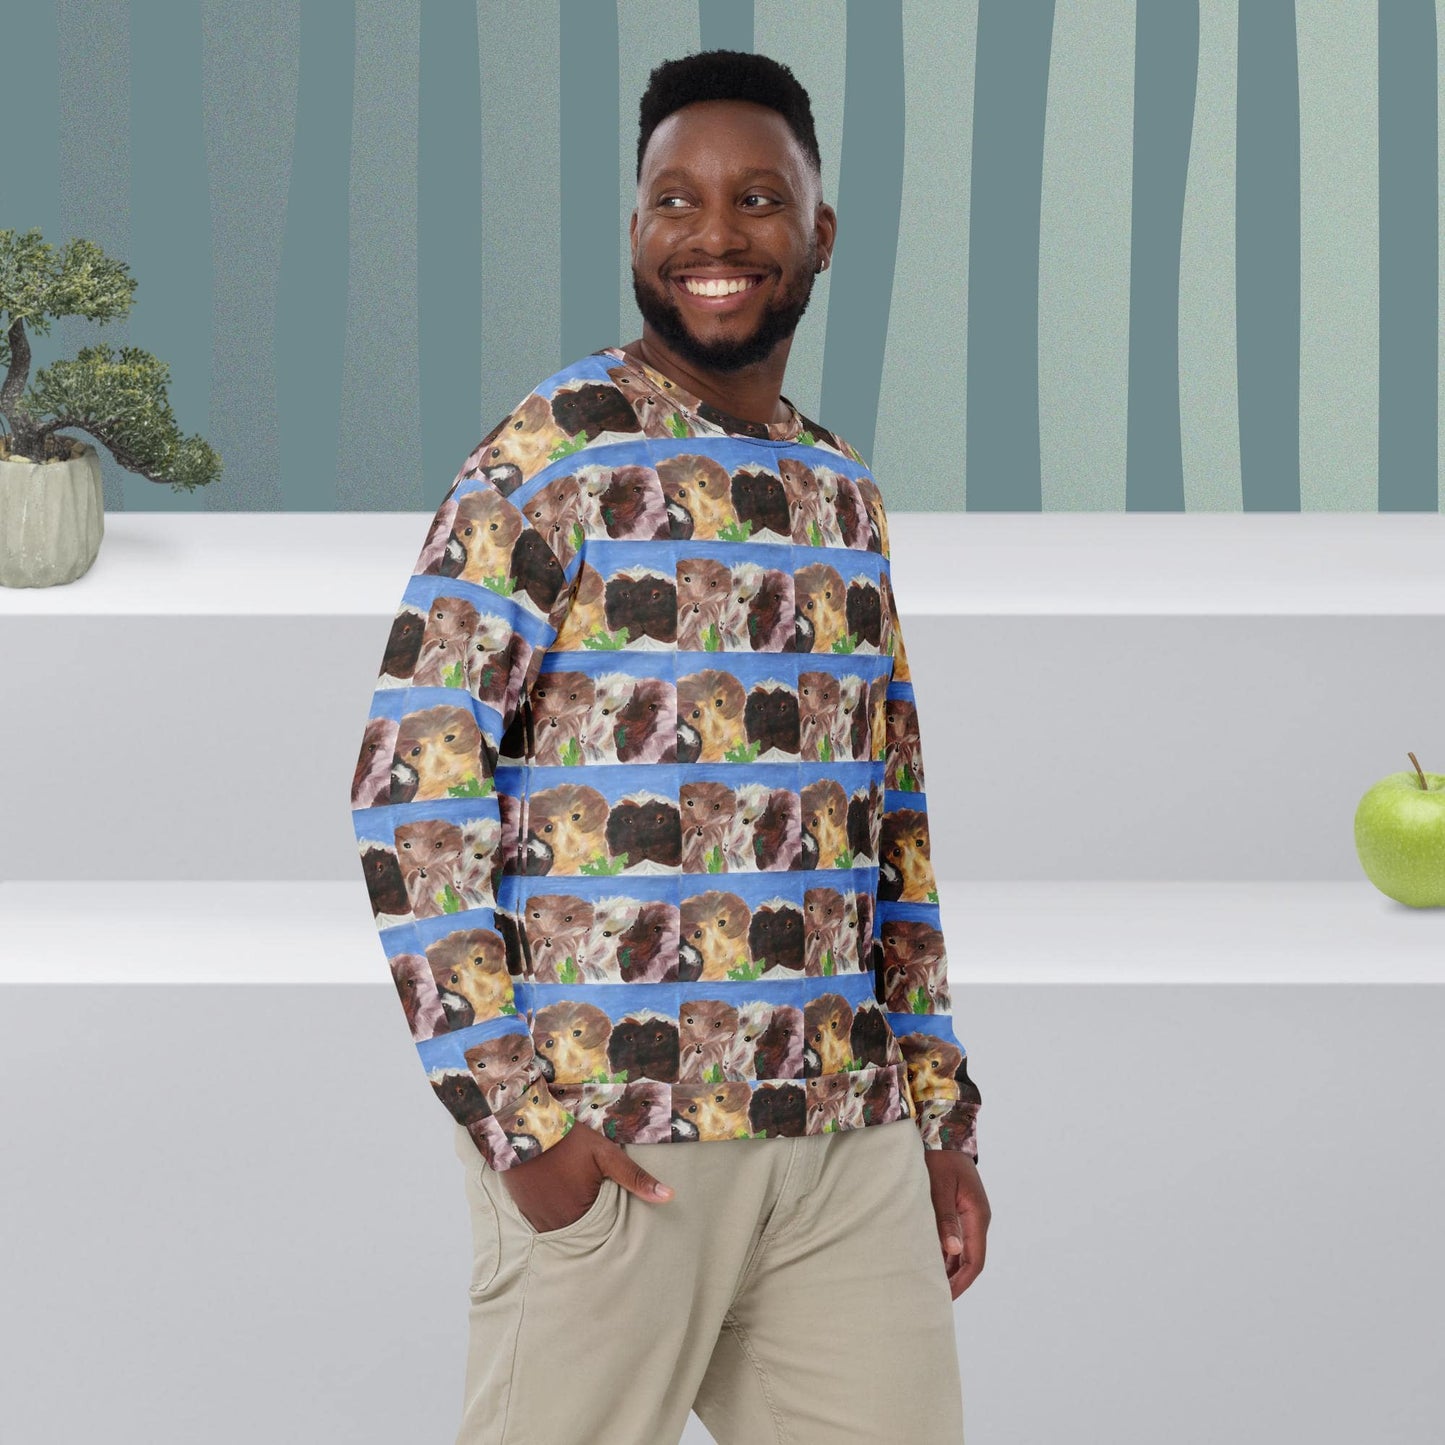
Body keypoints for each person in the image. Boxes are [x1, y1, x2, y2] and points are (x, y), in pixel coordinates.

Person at [349, 48, 989, 1445]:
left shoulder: (841, 495)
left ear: (815, 233)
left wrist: (935, 1113)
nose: (715, 233)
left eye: (756, 198)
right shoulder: (549, 458)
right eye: (674, 200)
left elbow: (892, 826)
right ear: (636, 229)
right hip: (616, 1131)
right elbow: (410, 790)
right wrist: (520, 1126)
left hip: (841, 1140)